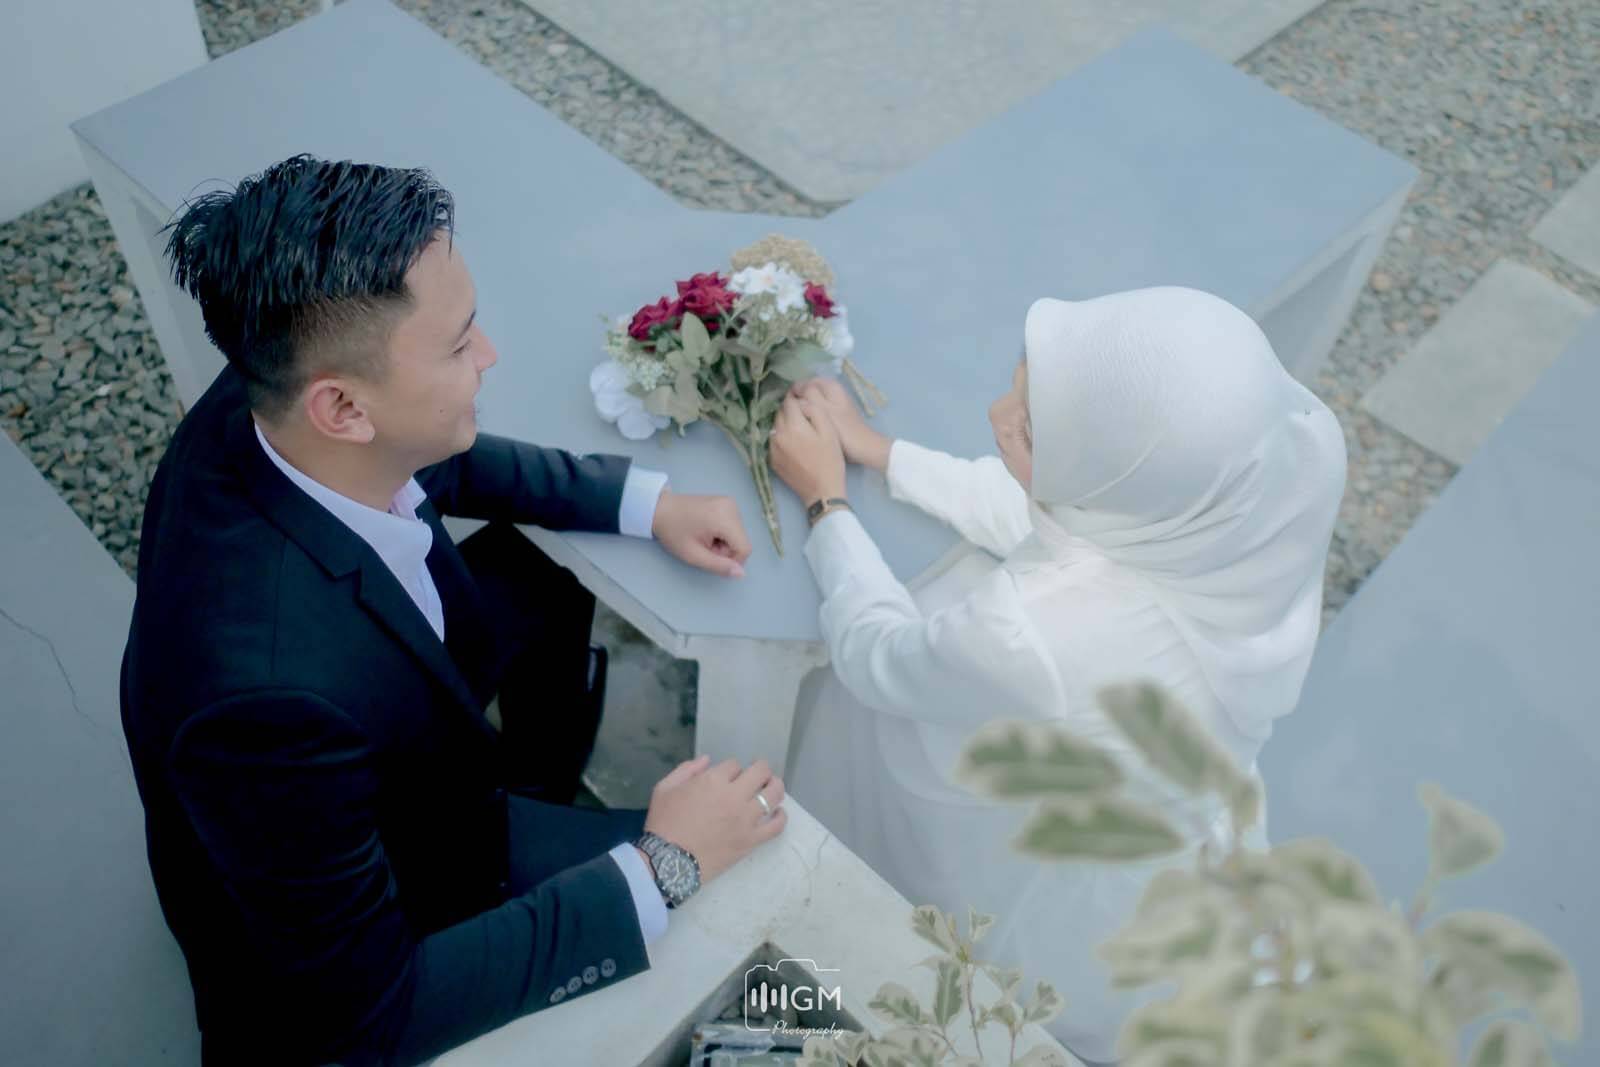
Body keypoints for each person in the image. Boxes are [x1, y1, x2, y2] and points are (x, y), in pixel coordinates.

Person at [120, 154, 788, 1066]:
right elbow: (368, 1020)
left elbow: (437, 452)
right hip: (404, 890)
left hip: (402, 739)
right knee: (749, 864)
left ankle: (542, 774)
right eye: (458, 343)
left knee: (546, 574)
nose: (491, 354)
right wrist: (663, 864)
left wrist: (644, 502)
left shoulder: (276, 391)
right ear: (343, 407)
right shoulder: (262, 707)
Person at [769, 286, 1347, 1063]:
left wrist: (825, 500)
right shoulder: (1272, 466)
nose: (997, 413)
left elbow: (879, 656)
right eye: (1023, 376)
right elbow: (1069, 517)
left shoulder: (1033, 631)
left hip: (1036, 836)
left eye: (1029, 429)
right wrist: (882, 451)